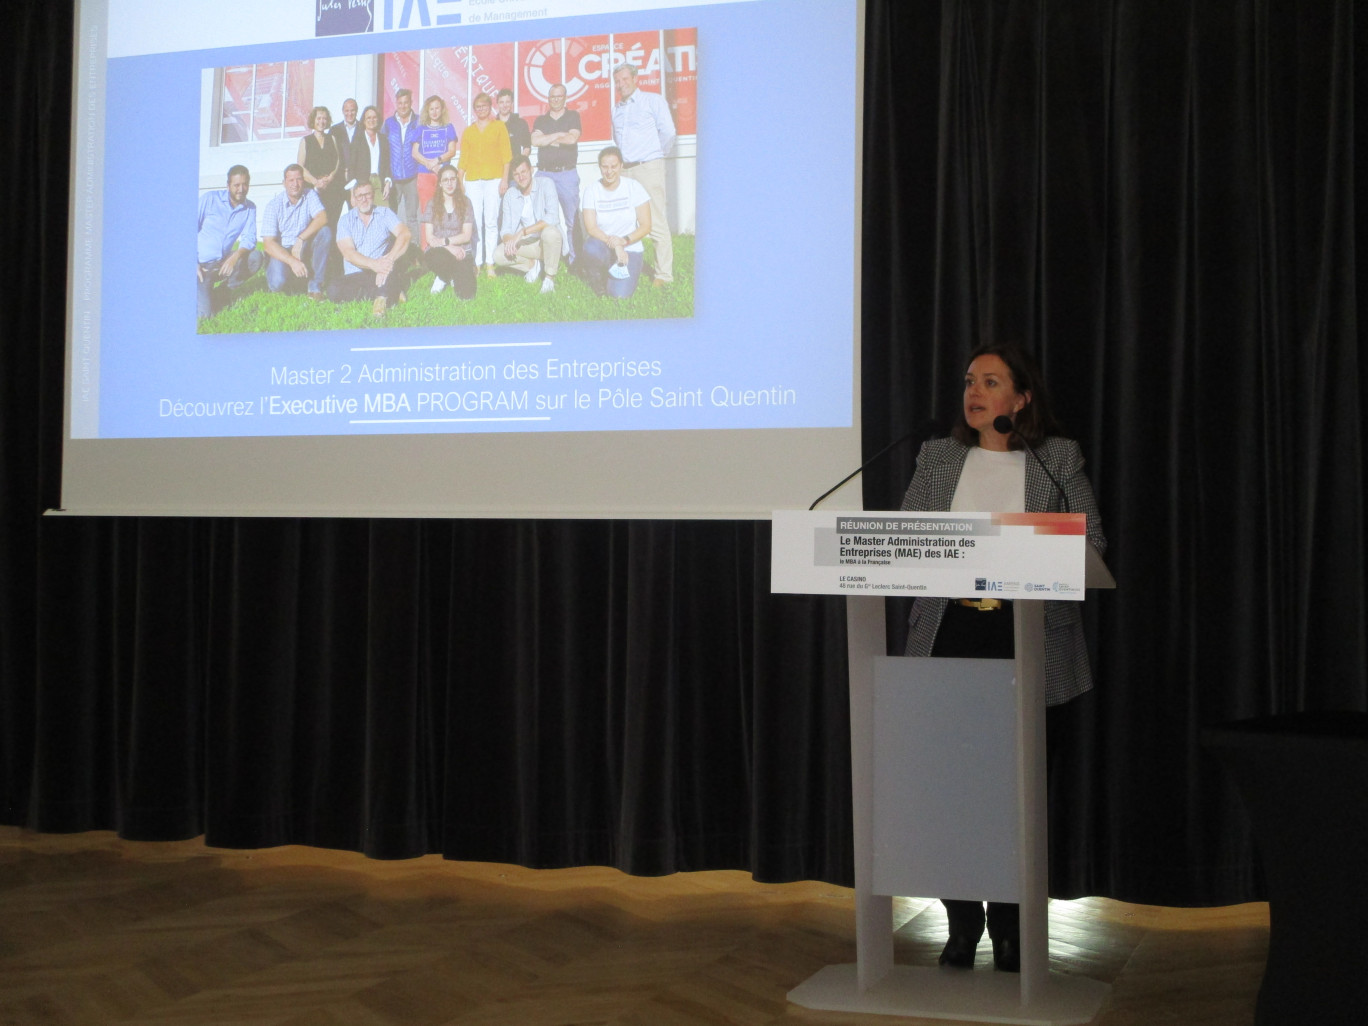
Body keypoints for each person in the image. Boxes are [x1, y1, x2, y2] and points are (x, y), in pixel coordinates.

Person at [900, 341, 1106, 974]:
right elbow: (906, 538)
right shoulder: (938, 457)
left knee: (1021, 796)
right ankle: (961, 925)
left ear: (1021, 399)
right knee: (951, 794)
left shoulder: (1054, 460)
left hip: (1028, 638)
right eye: (969, 381)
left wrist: (1017, 545)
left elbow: (1091, 543)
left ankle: (1014, 929)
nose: (974, 392)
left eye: (991, 382)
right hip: (950, 635)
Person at [611, 64, 676, 287]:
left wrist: (656, 157)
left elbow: (669, 132)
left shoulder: (653, 101)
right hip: (626, 170)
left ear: (635, 78)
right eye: (617, 81)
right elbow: (617, 139)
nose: (621, 84)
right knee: (628, 222)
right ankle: (628, 266)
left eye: (625, 79)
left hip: (648, 167)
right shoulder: (616, 108)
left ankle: (663, 275)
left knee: (655, 220)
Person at [329, 179, 412, 317]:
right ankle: (391, 290)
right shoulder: (345, 220)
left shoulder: (384, 213)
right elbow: (348, 253)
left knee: (388, 270)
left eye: (367, 194)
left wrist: (389, 260)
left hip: (380, 272)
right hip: (355, 275)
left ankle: (381, 300)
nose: (364, 199)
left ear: (373, 195)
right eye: (360, 196)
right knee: (333, 290)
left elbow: (405, 234)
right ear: (354, 199)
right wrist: (374, 265)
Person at [579, 146, 651, 299]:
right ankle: (598, 280)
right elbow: (591, 227)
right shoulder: (592, 190)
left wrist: (623, 242)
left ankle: (618, 273)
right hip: (604, 245)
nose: (609, 171)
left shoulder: (634, 187)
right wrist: (615, 244)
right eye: (605, 167)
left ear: (621, 166)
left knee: (618, 296)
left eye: (613, 166)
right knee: (590, 247)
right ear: (599, 167)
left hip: (630, 248)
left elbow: (646, 225)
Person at [196, 164, 262, 320]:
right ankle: (203, 294)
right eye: (236, 185)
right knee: (205, 316)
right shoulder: (209, 199)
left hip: (222, 263)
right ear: (228, 185)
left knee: (255, 257)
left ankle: (221, 293)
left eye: (245, 184)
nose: (241, 189)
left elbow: (250, 237)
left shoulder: (249, 208)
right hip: (201, 267)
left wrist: (235, 256)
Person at [457, 92, 511, 276]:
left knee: (491, 220)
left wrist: (504, 179)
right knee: (475, 222)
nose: (481, 109)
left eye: (484, 106)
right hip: (473, 180)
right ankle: (477, 263)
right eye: (478, 107)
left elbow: (506, 156)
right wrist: (460, 179)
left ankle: (490, 263)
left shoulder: (499, 127)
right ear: (474, 109)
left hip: (494, 178)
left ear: (490, 107)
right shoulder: (469, 131)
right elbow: (463, 158)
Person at [260, 164, 332, 300]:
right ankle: (285, 277)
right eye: (291, 180)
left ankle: (314, 285)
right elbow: (268, 244)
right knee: (277, 283)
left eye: (298, 179)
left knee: (325, 232)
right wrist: (292, 261)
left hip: (302, 247)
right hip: (282, 251)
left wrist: (300, 239)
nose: (295, 184)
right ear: (284, 183)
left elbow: (323, 218)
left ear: (303, 181)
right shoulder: (273, 206)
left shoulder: (309, 195)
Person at [493, 155, 562, 293]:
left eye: (523, 172)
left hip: (546, 241)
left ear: (531, 170)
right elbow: (505, 229)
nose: (521, 177)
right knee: (498, 254)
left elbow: (553, 217)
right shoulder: (510, 194)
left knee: (551, 232)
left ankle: (549, 278)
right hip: (527, 244)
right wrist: (509, 242)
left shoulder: (546, 184)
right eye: (516, 174)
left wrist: (522, 232)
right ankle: (533, 264)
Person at [531, 82, 582, 265]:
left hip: (566, 174)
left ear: (565, 97)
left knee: (572, 219)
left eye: (559, 96)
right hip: (543, 173)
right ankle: (540, 260)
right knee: (538, 218)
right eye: (553, 96)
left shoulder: (573, 116)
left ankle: (576, 261)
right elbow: (535, 141)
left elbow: (571, 138)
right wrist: (558, 135)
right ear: (548, 98)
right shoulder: (541, 120)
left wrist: (548, 138)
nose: (556, 99)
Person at [421, 163, 477, 300]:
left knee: (467, 295)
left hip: (462, 251)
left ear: (457, 181)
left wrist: (447, 242)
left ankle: (449, 275)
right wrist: (448, 246)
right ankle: (444, 276)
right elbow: (429, 237)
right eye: (445, 180)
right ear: (440, 183)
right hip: (439, 251)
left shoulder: (466, 202)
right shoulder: (432, 204)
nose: (449, 183)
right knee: (436, 258)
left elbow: (466, 235)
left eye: (453, 179)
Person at [384, 88, 423, 248]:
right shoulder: (388, 123)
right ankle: (392, 250)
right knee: (391, 216)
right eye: (400, 103)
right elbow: (383, 149)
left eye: (406, 102)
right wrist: (386, 177)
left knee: (412, 217)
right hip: (393, 177)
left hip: (412, 176)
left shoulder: (419, 121)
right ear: (396, 103)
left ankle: (413, 253)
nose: (403, 106)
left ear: (411, 103)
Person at [412, 94, 458, 223]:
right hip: (425, 175)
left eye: (437, 108)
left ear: (442, 109)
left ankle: (443, 242)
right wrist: (429, 164)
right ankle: (427, 243)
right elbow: (415, 153)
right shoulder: (421, 129)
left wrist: (437, 161)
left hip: (443, 175)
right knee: (427, 212)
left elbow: (452, 151)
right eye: (431, 109)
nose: (434, 111)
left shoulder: (448, 127)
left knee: (445, 210)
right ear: (427, 111)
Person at [298, 106, 343, 227]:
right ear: (313, 120)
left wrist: (331, 177)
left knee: (331, 222)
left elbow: (338, 161)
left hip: (331, 189)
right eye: (318, 118)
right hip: (312, 189)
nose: (321, 121)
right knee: (314, 222)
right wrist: (315, 182)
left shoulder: (332, 138)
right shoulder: (305, 141)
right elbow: (300, 167)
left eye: (324, 119)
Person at [351, 105, 393, 203]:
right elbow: (352, 166)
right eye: (368, 118)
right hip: (363, 184)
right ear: (364, 121)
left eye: (374, 117)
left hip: (380, 183)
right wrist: (352, 193)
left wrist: (387, 183)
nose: (371, 120)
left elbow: (387, 164)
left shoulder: (383, 139)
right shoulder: (358, 139)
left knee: (382, 214)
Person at [329, 98, 361, 183]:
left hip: (359, 177)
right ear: (343, 111)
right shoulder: (334, 130)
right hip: (339, 177)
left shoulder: (364, 128)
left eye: (352, 110)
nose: (349, 114)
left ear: (357, 111)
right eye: (347, 111)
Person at [496, 88, 530, 159]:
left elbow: (527, 147)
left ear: (512, 104)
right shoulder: (492, 125)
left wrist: (519, 163)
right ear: (497, 104)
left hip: (514, 167)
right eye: (501, 102)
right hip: (497, 167)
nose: (504, 105)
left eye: (507, 102)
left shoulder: (521, 123)